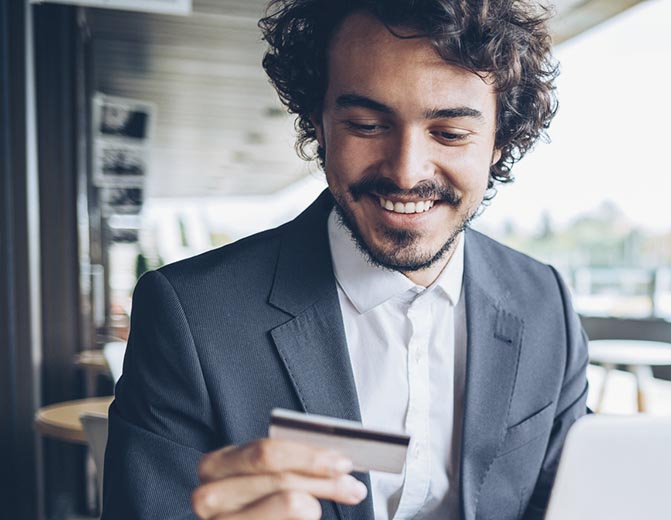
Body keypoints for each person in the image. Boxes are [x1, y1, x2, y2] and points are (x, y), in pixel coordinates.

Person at [102, 1, 589, 519]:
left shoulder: (545, 304)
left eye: (449, 133)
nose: (406, 172)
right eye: (365, 124)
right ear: (319, 123)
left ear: (499, 139)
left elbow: (572, 498)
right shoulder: (190, 316)